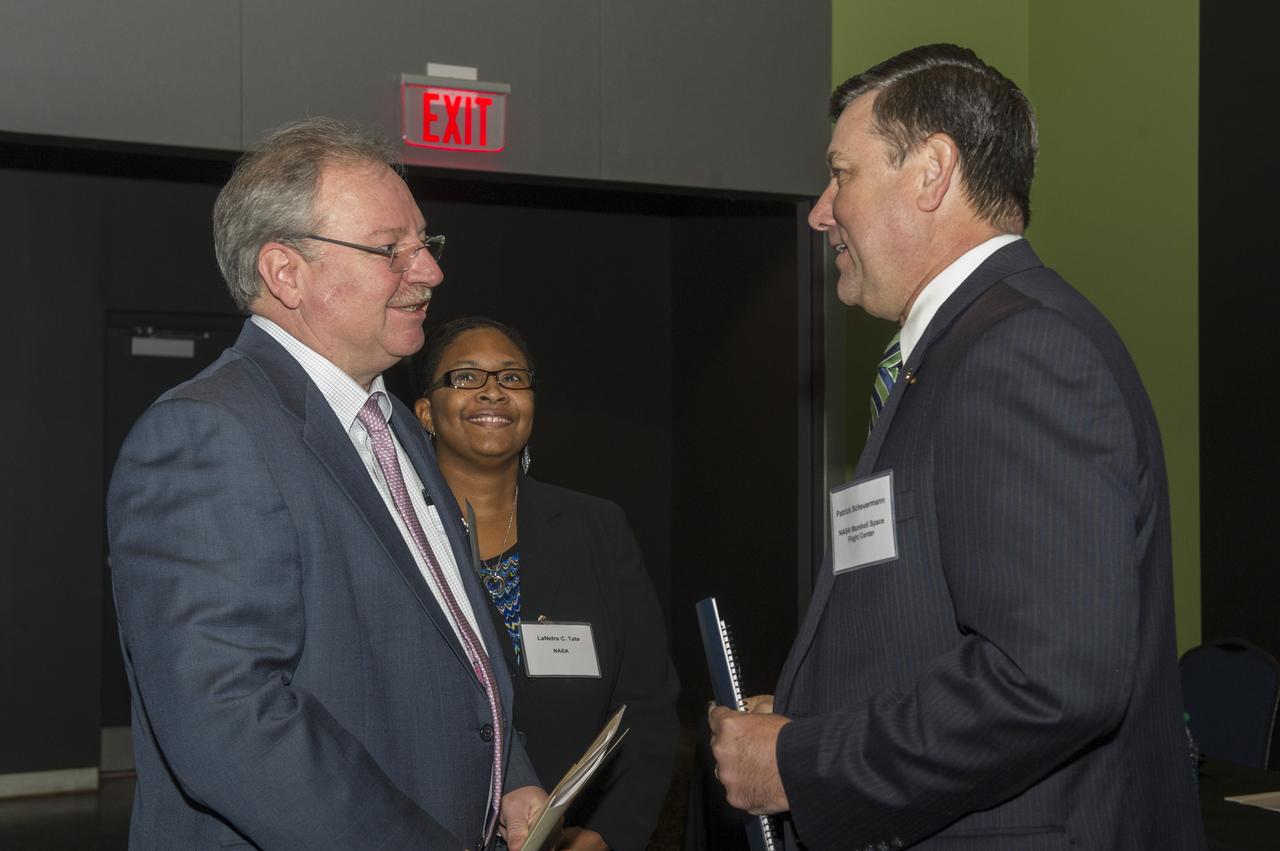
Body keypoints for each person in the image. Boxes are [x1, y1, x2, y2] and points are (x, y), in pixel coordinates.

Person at [708, 44, 1207, 849]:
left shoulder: (1021, 351)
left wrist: (805, 759)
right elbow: (938, 627)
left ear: (932, 172)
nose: (821, 210)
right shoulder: (955, 350)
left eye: (844, 174)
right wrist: (815, 710)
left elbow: (1053, 677)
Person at [108, 118, 547, 850]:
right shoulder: (205, 433)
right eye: (390, 249)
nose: (429, 271)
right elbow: (230, 722)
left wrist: (513, 776)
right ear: (286, 273)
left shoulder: (393, 419)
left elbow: (451, 639)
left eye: (425, 245)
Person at [414, 317, 680, 851]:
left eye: (513, 378)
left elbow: (647, 706)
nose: (493, 390)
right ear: (425, 413)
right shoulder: (396, 533)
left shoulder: (597, 529)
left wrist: (609, 832)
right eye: (465, 378)